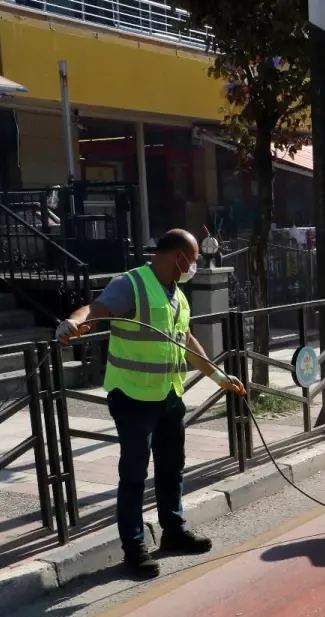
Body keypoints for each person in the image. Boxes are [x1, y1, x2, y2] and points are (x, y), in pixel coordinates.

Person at [56, 230, 246, 579]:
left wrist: (220, 377)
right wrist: (74, 322)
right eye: (194, 258)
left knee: (172, 467)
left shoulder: (178, 296)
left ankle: (173, 531)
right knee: (133, 474)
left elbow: (186, 341)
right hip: (132, 398)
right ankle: (134, 548)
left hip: (169, 396)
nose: (195, 265)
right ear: (177, 256)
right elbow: (95, 310)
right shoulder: (132, 284)